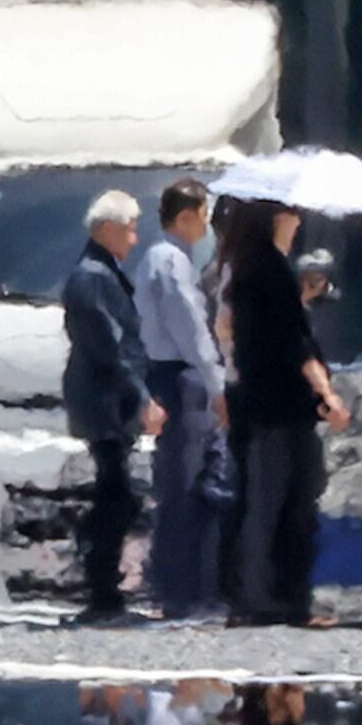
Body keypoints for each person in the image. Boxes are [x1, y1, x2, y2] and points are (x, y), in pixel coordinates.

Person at [226, 199, 350, 626]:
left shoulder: (254, 269)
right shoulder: (270, 269)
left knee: (272, 501)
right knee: (284, 503)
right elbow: (294, 344)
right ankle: (275, 597)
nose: (298, 221)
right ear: (277, 218)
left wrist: (300, 298)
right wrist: (327, 392)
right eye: (293, 214)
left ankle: (267, 595)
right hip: (282, 406)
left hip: (265, 404)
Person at [62, 190, 165, 621]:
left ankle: (104, 587)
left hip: (112, 403)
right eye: (129, 229)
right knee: (115, 495)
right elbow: (110, 346)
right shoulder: (92, 277)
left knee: (116, 494)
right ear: (106, 229)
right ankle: (100, 589)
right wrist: (142, 399)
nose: (134, 239)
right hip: (104, 402)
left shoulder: (106, 273)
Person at [134, 178, 225, 619]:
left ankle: (181, 587)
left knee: (180, 483)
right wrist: (216, 383)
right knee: (184, 486)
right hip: (180, 376)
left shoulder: (164, 259)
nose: (206, 225)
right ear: (185, 216)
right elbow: (191, 332)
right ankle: (180, 591)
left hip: (170, 374)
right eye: (203, 215)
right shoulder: (170, 262)